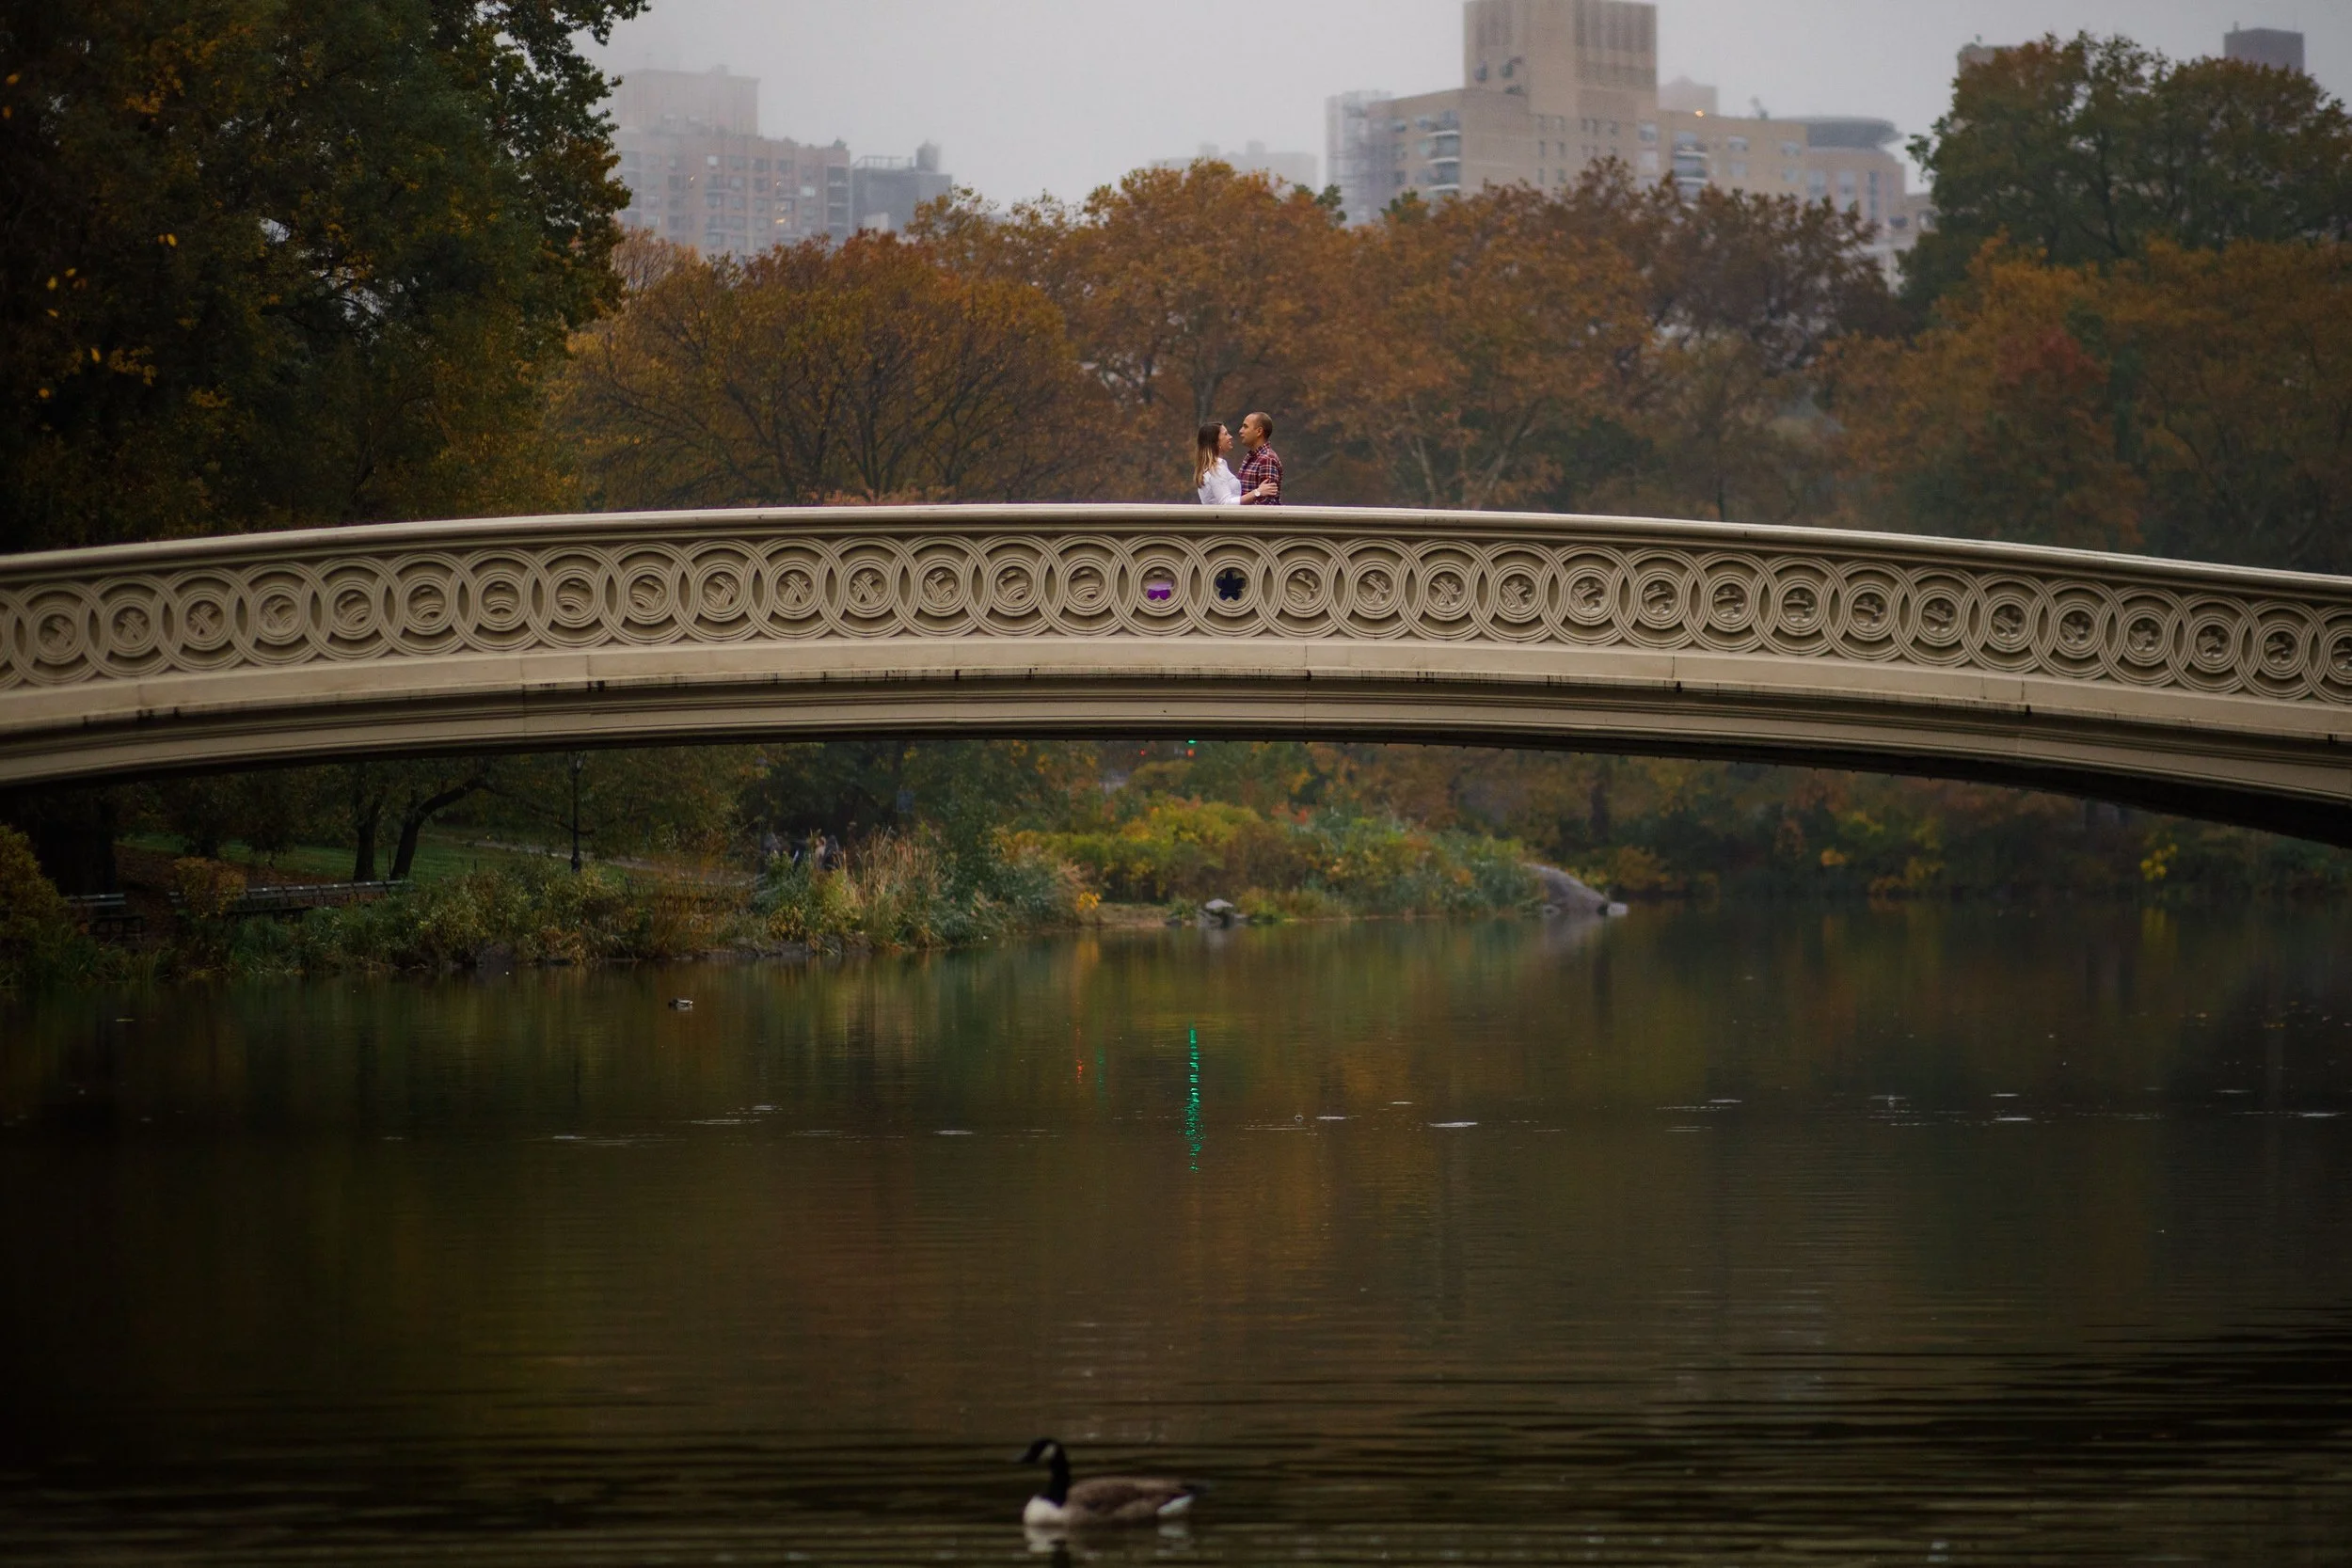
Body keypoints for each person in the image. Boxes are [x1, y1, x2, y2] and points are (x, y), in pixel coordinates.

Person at [1194, 422, 1274, 506]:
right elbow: (1226, 503)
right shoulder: (1216, 470)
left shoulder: (1217, 467)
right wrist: (1258, 492)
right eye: (1225, 434)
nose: (1230, 437)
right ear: (1216, 442)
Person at [1233, 412, 1283, 506]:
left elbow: (1267, 503)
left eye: (1245, 427)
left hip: (1253, 520)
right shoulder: (1251, 457)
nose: (1240, 431)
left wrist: (1243, 517)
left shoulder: (1267, 459)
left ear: (1259, 431)